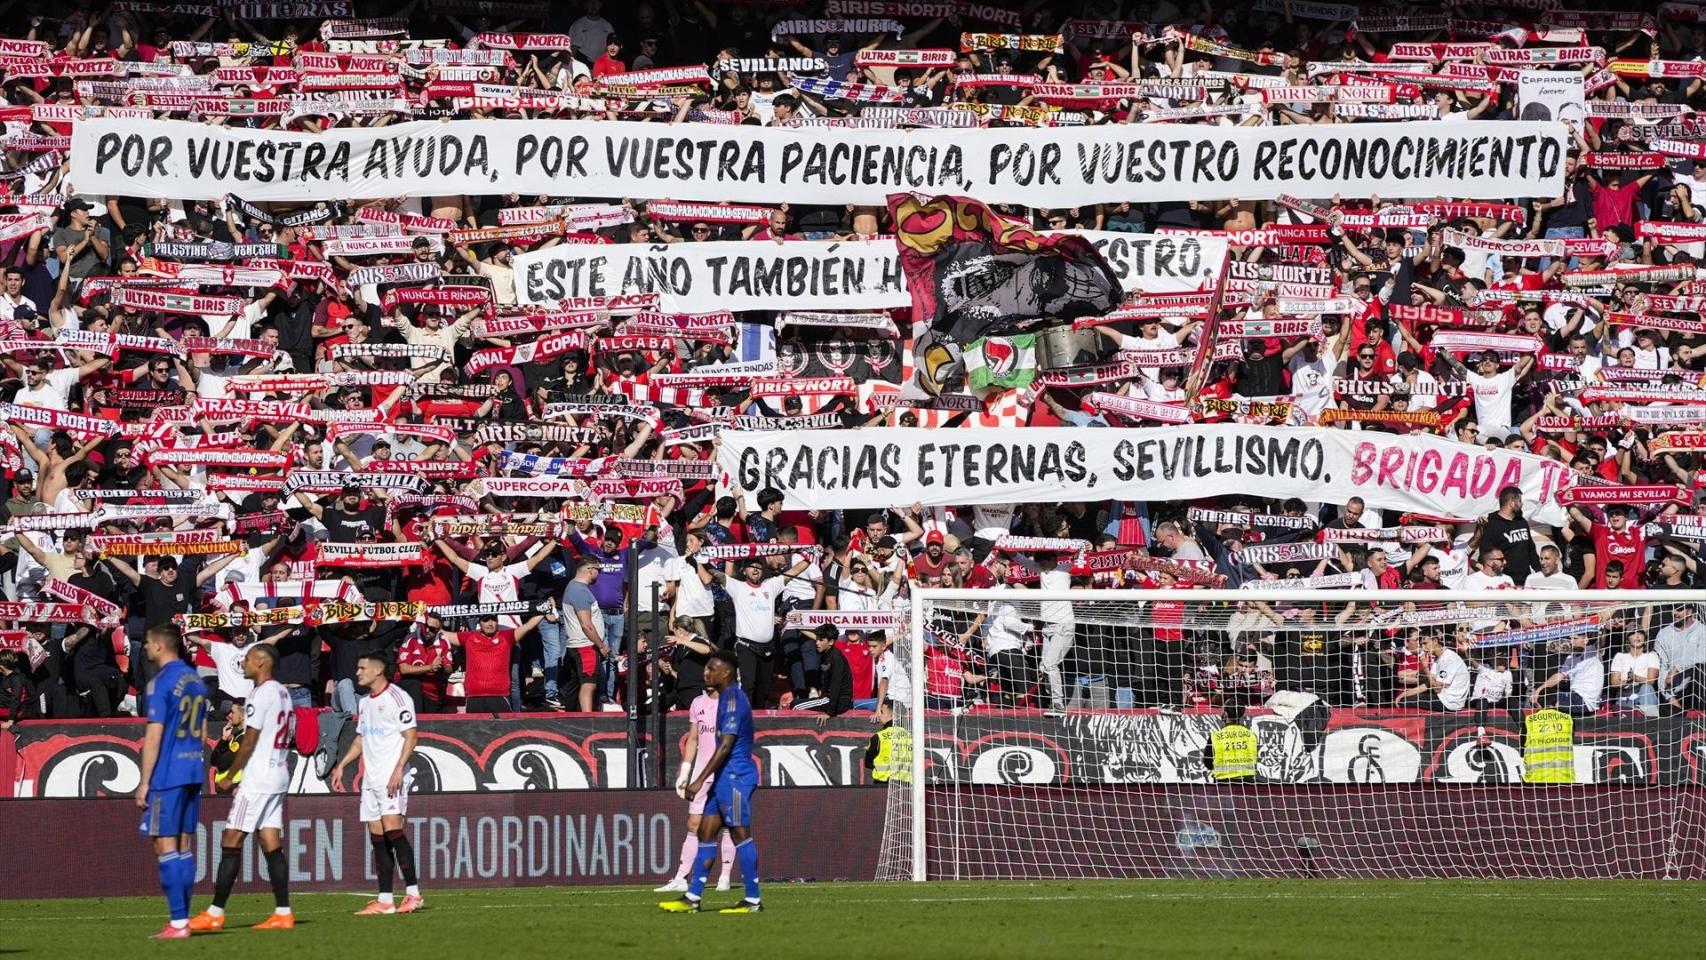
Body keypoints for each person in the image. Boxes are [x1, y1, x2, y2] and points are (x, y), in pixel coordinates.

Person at [189, 644, 294, 932]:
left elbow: (249, 740)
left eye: (247, 659)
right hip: (279, 773)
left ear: (262, 662)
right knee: (271, 842)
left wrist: (228, 775)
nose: (242, 664)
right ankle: (283, 913)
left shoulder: (259, 694)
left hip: (258, 777)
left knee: (232, 838)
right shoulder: (284, 693)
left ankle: (215, 913)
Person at [660, 649, 762, 914]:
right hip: (723, 778)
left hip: (736, 777)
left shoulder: (732, 702)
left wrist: (698, 780)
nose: (706, 672)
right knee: (705, 832)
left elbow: (726, 746)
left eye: (712, 668)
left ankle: (753, 900)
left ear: (726, 673)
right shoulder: (720, 699)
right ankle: (692, 897)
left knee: (740, 834)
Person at [332, 651, 423, 916]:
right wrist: (342, 765)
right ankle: (385, 899)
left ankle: (414, 894)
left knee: (394, 832)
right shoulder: (365, 703)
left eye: (362, 668)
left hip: (391, 778)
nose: (358, 672)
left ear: (377, 670)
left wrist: (398, 770)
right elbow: (360, 740)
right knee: (378, 839)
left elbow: (411, 736)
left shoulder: (398, 697)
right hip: (371, 779)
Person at [134, 623, 208, 940]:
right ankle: (183, 919)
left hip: (168, 772)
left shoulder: (161, 682)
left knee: (163, 844)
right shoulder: (196, 680)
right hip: (193, 769)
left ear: (161, 646)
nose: (146, 648)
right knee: (184, 845)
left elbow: (154, 735)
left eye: (149, 642)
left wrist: (144, 782)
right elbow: (203, 734)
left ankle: (178, 923)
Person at [655, 686, 735, 894]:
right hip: (701, 772)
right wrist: (685, 772)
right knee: (693, 823)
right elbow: (693, 739)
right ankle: (681, 877)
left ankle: (724, 876)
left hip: (727, 771)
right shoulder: (697, 703)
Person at [1206, 699, 1258, 783]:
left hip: (1223, 783)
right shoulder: (1251, 735)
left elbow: (1208, 762)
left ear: (1226, 713)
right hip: (1247, 783)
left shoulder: (1215, 736)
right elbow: (1255, 757)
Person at [1521, 705, 1575, 784]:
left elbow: (1522, 746)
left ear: (1538, 704)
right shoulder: (1568, 719)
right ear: (1556, 703)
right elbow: (1571, 740)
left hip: (1535, 780)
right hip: (1565, 780)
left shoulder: (1529, 720)